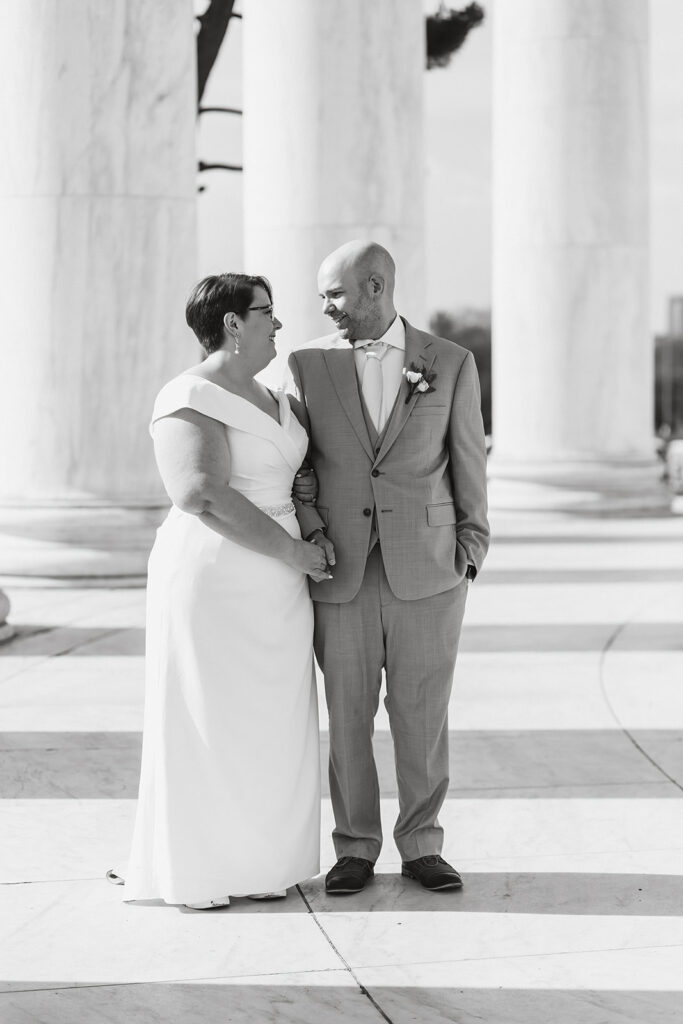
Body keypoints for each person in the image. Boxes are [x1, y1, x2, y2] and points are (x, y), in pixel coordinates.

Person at [122, 273, 331, 910]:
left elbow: (301, 480)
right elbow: (201, 492)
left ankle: (263, 863)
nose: (279, 323)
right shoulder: (188, 393)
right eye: (266, 312)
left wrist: (312, 538)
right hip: (216, 575)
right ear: (232, 323)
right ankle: (203, 870)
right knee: (208, 714)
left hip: (280, 587)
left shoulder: (279, 397)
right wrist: (296, 551)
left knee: (269, 721)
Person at [289, 240, 489, 894]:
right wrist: (313, 534)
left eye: (334, 293)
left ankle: (422, 845)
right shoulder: (307, 363)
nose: (325, 306)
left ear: (375, 287)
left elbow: (467, 460)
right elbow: (299, 470)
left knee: (421, 715)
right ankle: (354, 847)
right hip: (339, 572)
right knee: (346, 716)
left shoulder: (449, 361)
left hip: (429, 572)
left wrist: (470, 548)